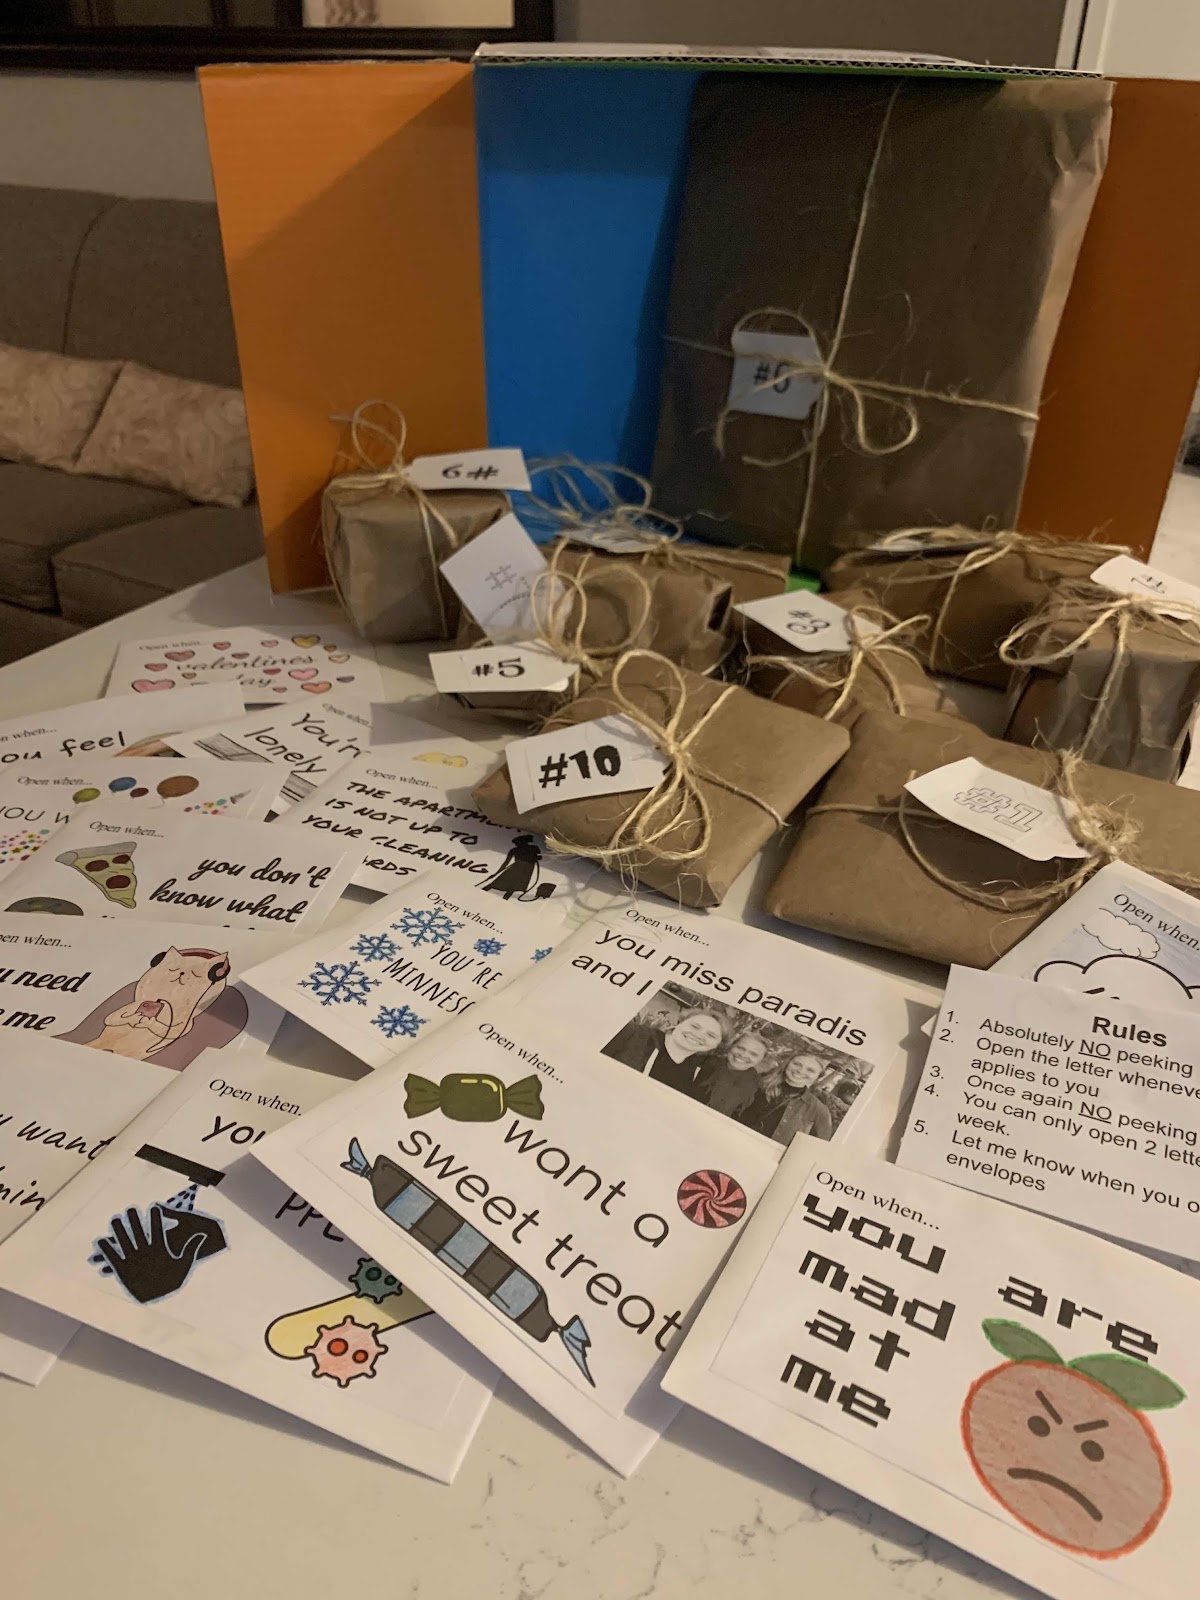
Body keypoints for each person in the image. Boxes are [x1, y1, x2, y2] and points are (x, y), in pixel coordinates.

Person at [602, 1006, 728, 1100]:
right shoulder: (633, 1035)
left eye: (711, 1035)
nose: (699, 1035)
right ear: (680, 1022)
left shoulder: (700, 1074)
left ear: (717, 1045)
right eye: (694, 1026)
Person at [747, 1050, 834, 1144]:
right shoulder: (757, 1084)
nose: (800, 1070)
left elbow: (817, 1147)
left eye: (810, 1070)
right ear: (787, 1064)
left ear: (817, 1077)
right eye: (797, 1064)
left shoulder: (818, 1110)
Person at [705, 1028, 769, 1121]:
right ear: (731, 1046)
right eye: (740, 1048)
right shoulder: (706, 1064)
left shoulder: (758, 1089)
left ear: (761, 1059)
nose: (743, 1055)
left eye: (753, 1054)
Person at [481, 835, 544, 900]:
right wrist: (496, 873)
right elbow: (506, 862)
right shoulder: (514, 850)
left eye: (518, 843)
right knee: (501, 881)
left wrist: (531, 857)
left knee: (513, 885)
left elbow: (539, 857)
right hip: (518, 867)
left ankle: (505, 898)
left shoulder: (534, 848)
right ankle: (484, 891)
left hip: (526, 869)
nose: (517, 845)